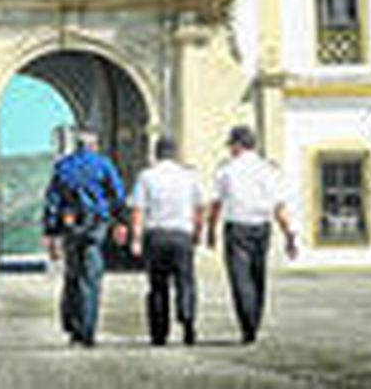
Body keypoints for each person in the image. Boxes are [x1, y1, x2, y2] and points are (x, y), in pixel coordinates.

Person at [206, 125, 296, 345]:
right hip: (262, 228)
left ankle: (248, 324)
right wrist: (289, 235)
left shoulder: (226, 170)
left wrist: (211, 230)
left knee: (240, 279)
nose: (230, 150)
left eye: (231, 146)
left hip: (237, 228)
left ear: (237, 145)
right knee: (258, 276)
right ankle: (253, 321)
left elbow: (216, 204)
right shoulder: (268, 169)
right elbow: (279, 207)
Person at [42, 127, 126, 347]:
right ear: (94, 145)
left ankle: (72, 326)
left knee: (72, 275)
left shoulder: (63, 166)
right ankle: (87, 332)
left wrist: (50, 232)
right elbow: (118, 195)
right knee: (91, 279)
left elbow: (52, 201)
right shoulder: (103, 165)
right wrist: (117, 220)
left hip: (70, 225)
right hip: (95, 225)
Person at [129, 135, 205, 347]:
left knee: (157, 286)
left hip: (156, 236)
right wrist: (198, 232)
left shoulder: (146, 176)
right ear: (175, 153)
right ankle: (187, 319)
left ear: (156, 153)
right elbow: (200, 207)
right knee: (185, 281)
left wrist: (136, 239)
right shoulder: (189, 175)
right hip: (182, 235)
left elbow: (138, 210)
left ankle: (159, 333)